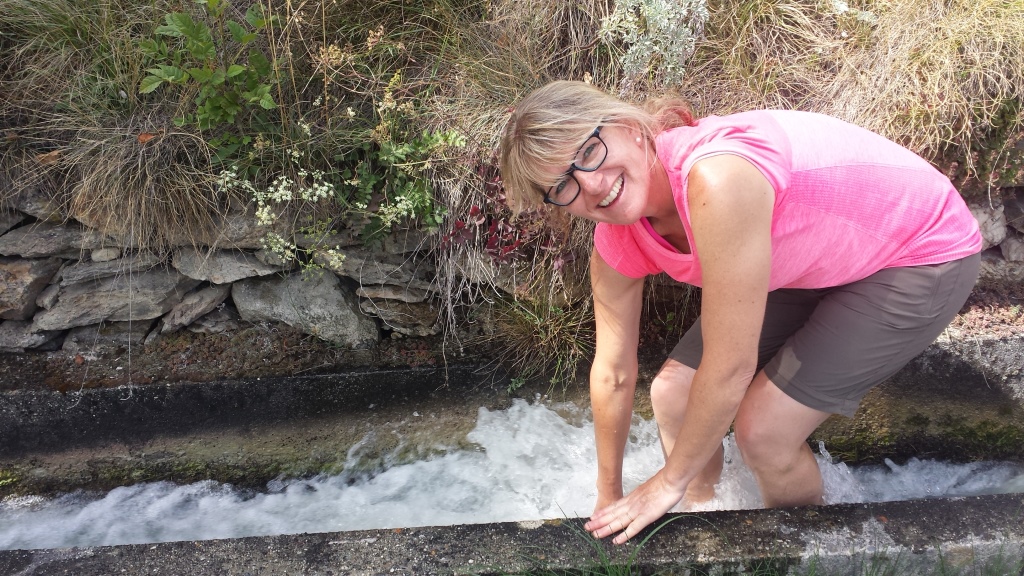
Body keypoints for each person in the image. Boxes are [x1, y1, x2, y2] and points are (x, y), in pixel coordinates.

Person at [498, 80, 982, 545]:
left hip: (919, 251)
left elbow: (730, 368)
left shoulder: (718, 176)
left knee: (765, 432)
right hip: (816, 259)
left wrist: (667, 481)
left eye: (588, 151)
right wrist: (609, 497)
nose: (591, 184)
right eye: (563, 184)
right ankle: (707, 523)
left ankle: (807, 551)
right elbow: (613, 373)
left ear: (627, 126)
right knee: (672, 394)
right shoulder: (617, 239)